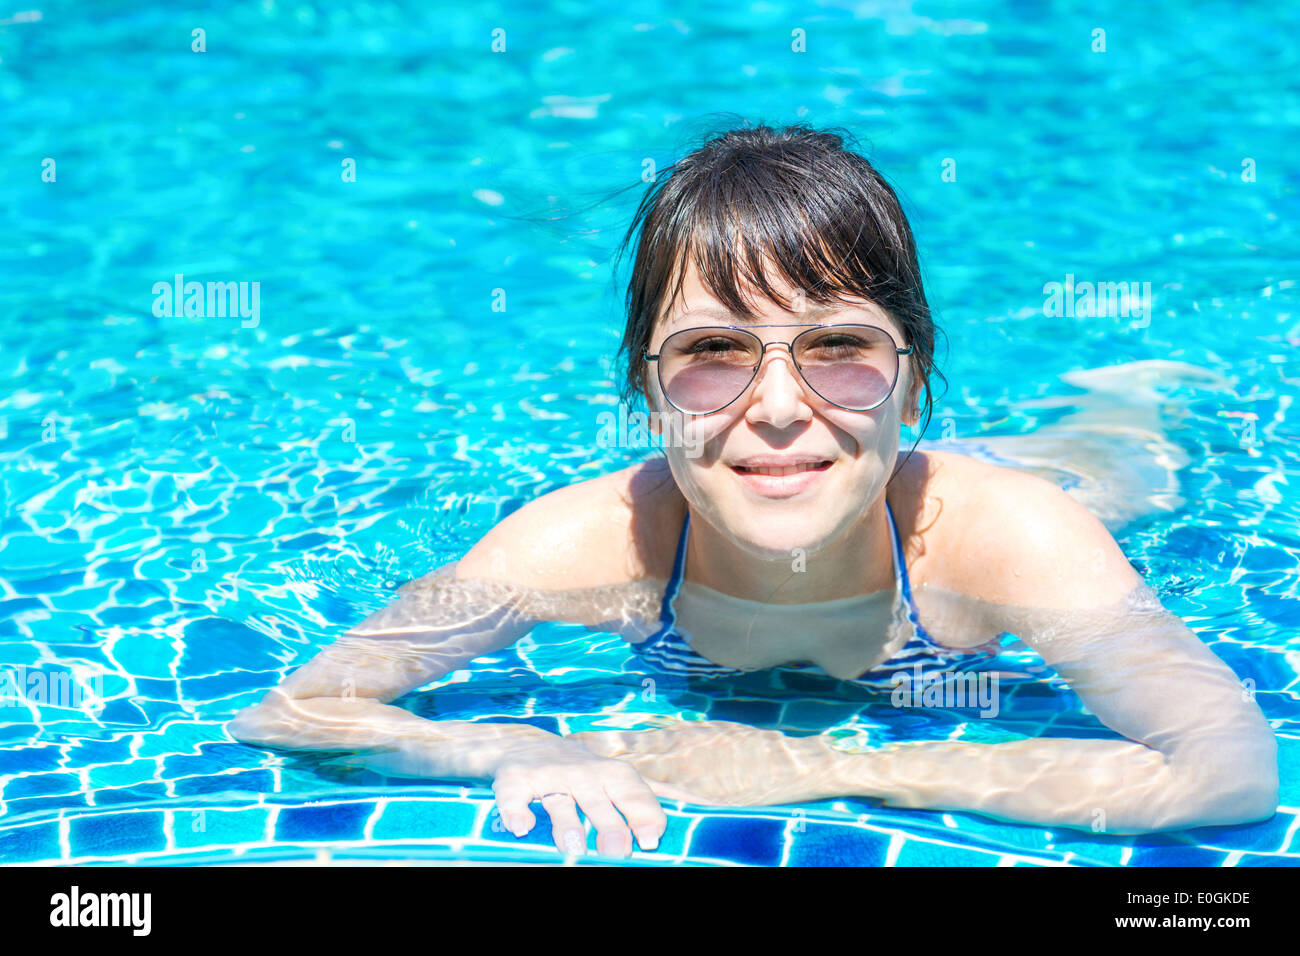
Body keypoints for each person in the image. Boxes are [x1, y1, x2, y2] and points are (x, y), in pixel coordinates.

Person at [229, 123, 1278, 860]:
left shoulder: (1009, 544)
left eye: (838, 347)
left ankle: (1132, 396)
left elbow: (1228, 770)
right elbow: (298, 708)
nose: (777, 405)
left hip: (985, 497)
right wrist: (515, 743)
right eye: (714, 352)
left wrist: (831, 767)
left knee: (1119, 467)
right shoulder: (585, 548)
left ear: (912, 379)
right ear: (645, 390)